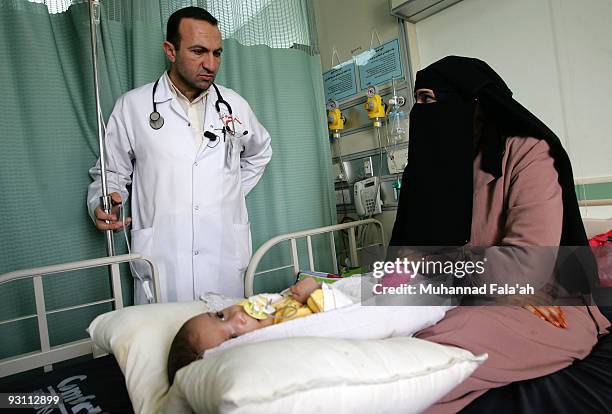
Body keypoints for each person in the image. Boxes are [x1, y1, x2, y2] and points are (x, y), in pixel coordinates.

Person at [387, 56, 610, 413]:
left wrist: (433, 267)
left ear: (472, 104)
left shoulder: (528, 155)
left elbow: (526, 269)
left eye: (427, 99)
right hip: (454, 296)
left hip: (544, 304)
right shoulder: (430, 166)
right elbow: (399, 261)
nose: (419, 111)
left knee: (423, 355)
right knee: (375, 326)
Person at [87, 7, 272, 303]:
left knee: (228, 341)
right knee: (165, 344)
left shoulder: (234, 105)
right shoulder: (132, 107)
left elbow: (260, 152)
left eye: (217, 53)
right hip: (162, 261)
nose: (210, 64)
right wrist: (103, 201)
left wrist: (231, 191)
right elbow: (111, 173)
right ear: (170, 51)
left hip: (223, 257)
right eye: (199, 51)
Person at [166, 276, 353, 384]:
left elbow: (278, 300)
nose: (238, 316)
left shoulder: (265, 308)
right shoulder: (284, 335)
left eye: (220, 315)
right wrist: (316, 292)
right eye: (233, 336)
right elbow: (345, 318)